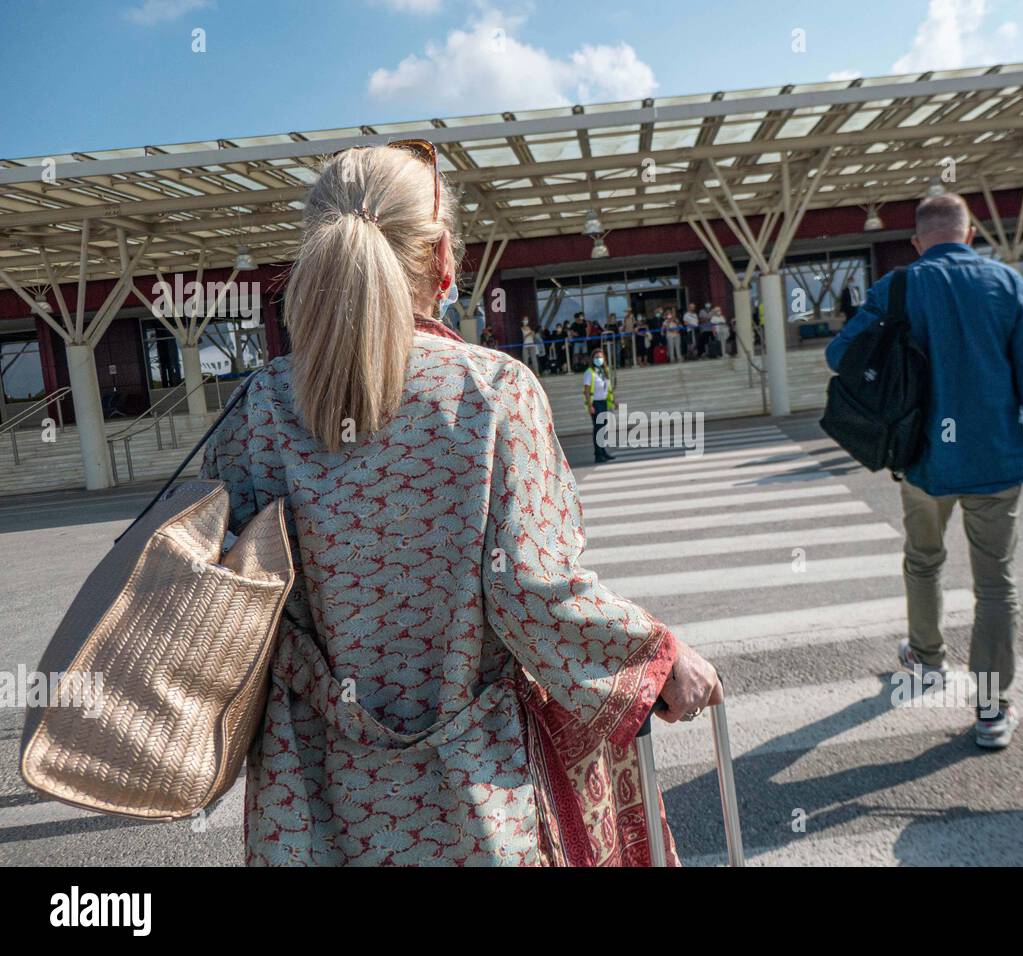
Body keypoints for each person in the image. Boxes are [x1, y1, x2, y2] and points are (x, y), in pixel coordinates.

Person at [201, 142, 720, 866]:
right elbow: (534, 592)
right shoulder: (492, 392)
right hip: (475, 800)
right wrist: (656, 658)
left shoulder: (255, 410)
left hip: (312, 805)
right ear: (443, 261)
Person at [826, 192, 1023, 751]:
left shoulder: (898, 285)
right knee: (996, 585)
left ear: (919, 242)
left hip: (923, 461)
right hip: (997, 463)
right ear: (971, 234)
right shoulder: (1008, 284)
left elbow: (839, 355)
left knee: (923, 561)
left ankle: (927, 658)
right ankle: (991, 709)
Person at [583, 347, 617, 463]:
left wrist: (613, 402)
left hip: (603, 402)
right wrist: (590, 405)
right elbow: (586, 390)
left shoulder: (604, 371)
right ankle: (598, 454)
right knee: (598, 429)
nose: (599, 359)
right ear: (592, 359)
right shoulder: (589, 372)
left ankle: (603, 452)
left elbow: (608, 389)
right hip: (595, 403)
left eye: (601, 357)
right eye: (596, 357)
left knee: (602, 429)